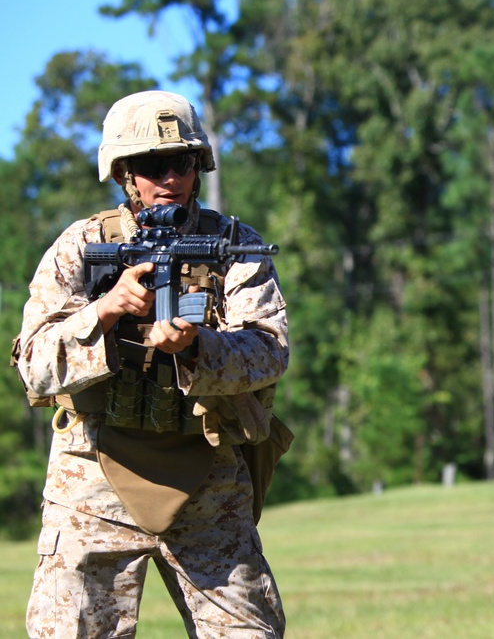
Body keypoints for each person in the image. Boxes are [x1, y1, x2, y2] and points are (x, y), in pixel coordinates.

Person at [15, 90, 290, 638]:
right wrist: (105, 311)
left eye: (182, 162)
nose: (169, 176)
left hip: (206, 477)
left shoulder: (232, 247)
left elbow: (269, 351)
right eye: (150, 164)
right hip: (92, 479)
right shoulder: (82, 246)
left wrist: (195, 347)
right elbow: (35, 368)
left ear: (199, 167)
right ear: (123, 173)